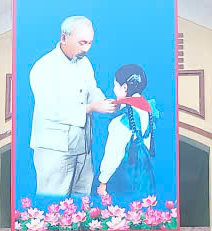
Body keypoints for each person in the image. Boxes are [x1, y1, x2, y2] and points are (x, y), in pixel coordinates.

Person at [28, 15, 116, 198]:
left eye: (90, 43)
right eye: (82, 43)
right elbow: (50, 109)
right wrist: (91, 108)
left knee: (82, 201)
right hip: (54, 150)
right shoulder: (44, 67)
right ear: (64, 38)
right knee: (53, 202)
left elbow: (92, 89)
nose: (86, 49)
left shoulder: (84, 63)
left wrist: (104, 102)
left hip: (82, 146)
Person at [96, 63, 158, 199]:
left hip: (124, 177)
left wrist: (103, 181)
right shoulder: (148, 110)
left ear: (124, 87)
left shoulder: (122, 119)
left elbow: (114, 153)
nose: (113, 89)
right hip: (145, 174)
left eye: (115, 85)